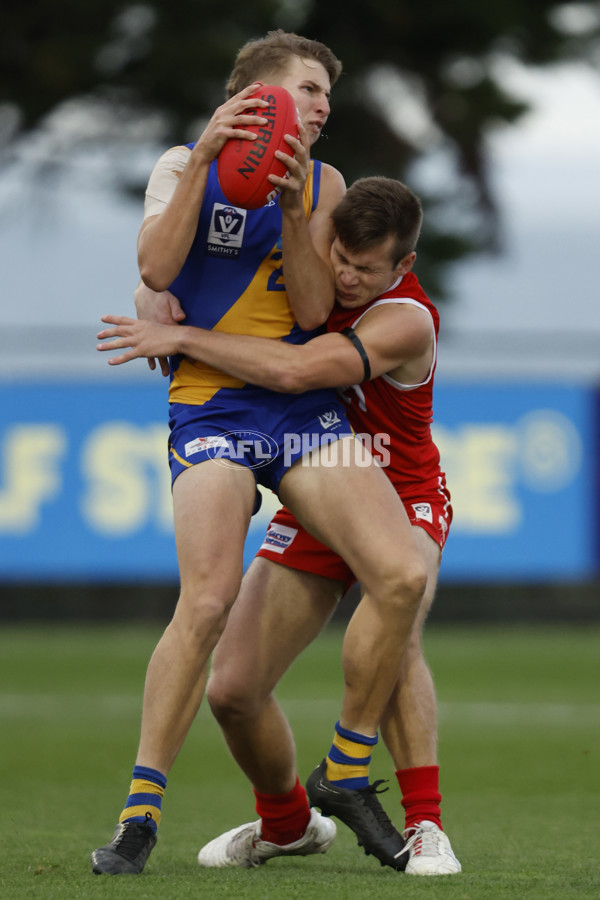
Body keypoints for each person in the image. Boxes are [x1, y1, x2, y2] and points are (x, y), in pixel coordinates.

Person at [91, 32, 428, 877]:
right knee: (206, 599)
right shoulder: (181, 162)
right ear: (259, 94)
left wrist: (289, 211)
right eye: (308, 90)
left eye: (325, 96)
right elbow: (155, 264)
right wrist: (206, 157)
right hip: (210, 402)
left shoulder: (324, 183)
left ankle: (345, 775)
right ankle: (139, 815)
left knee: (403, 572)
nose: (321, 107)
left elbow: (314, 314)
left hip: (304, 411)